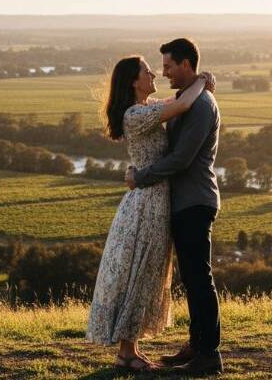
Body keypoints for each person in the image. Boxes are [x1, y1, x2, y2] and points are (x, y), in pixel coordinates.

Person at [86, 53, 215, 374]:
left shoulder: (144, 108)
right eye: (147, 71)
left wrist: (201, 84)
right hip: (146, 203)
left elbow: (178, 100)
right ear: (133, 80)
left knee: (146, 273)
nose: (155, 74)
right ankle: (126, 353)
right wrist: (201, 81)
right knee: (138, 271)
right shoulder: (135, 114)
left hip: (157, 200)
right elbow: (182, 105)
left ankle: (130, 351)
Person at [125, 37, 223, 376]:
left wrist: (142, 176)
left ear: (185, 64)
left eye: (168, 66)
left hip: (196, 200)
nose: (164, 72)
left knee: (199, 278)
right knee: (192, 278)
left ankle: (209, 354)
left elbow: (181, 159)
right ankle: (197, 345)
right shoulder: (185, 98)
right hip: (182, 203)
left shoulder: (201, 104)